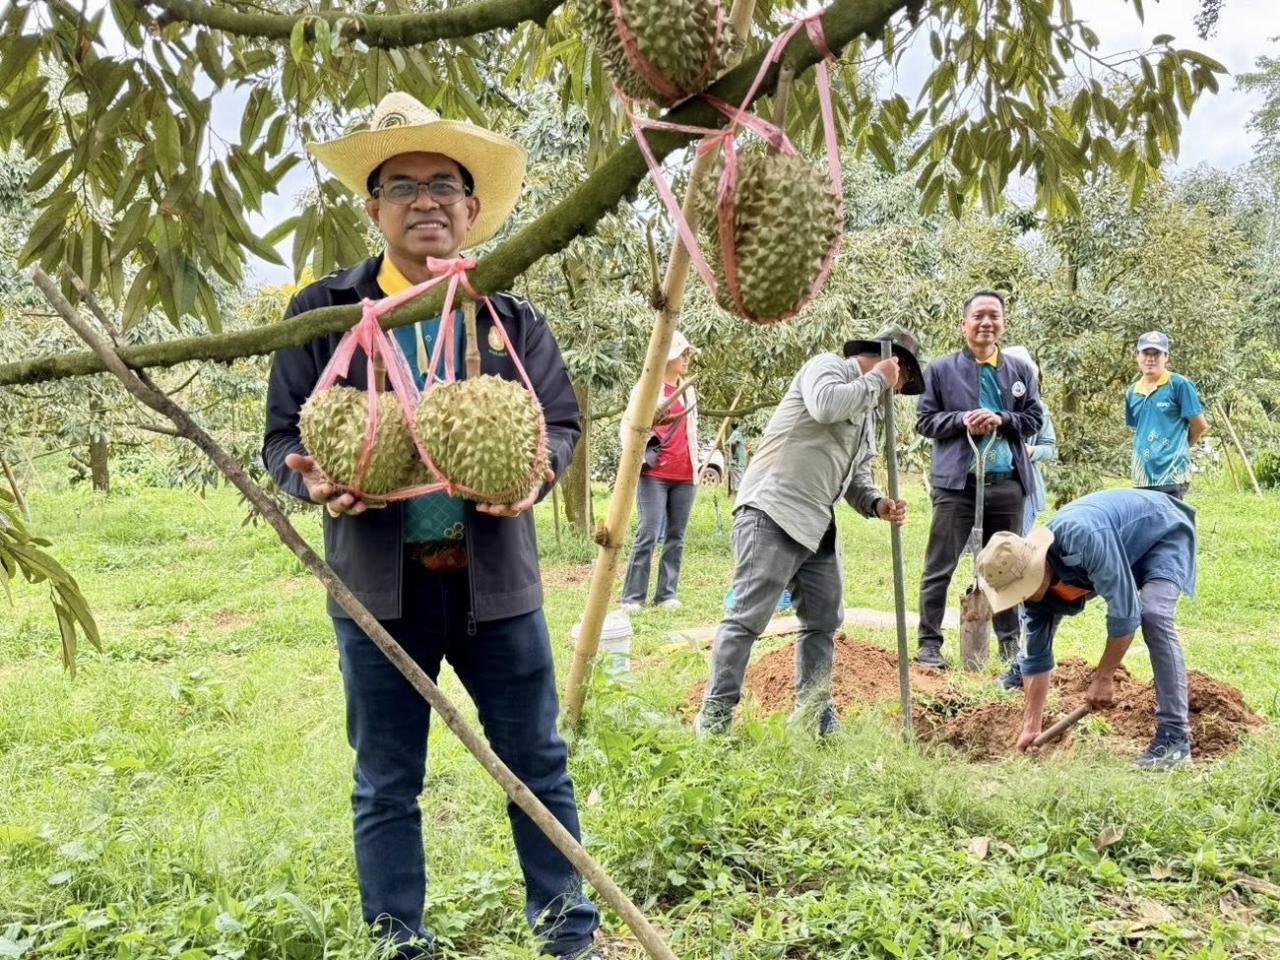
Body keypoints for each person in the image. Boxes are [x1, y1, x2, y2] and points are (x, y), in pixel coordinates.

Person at [261, 92, 600, 960]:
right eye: (403, 185)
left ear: (472, 207)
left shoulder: (508, 317)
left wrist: (536, 471)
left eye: (445, 184)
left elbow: (558, 421)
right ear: (372, 208)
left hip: (497, 585)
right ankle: (397, 943)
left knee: (538, 765)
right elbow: (281, 437)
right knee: (385, 784)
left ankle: (569, 938)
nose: (427, 201)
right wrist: (309, 484)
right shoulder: (325, 313)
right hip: (380, 589)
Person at [696, 325, 925, 736]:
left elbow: (856, 480)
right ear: (893, 364)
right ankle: (714, 720)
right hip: (773, 510)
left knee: (823, 620)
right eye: (902, 379)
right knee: (747, 618)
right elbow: (824, 406)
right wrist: (876, 380)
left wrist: (877, 504)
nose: (897, 390)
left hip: (817, 524)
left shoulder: (868, 417)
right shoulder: (828, 368)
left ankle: (814, 714)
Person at [975, 488, 1198, 769]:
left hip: (1162, 532)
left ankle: (1175, 739)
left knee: (1154, 614)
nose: (1023, 598)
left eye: (1022, 588)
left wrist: (1104, 676)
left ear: (1035, 566)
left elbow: (1126, 613)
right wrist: (1032, 725)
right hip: (1120, 547)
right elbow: (1035, 658)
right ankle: (1173, 739)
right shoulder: (1034, 597)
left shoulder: (1081, 538)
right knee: (1041, 627)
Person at [914, 291, 1043, 669]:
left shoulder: (1021, 370)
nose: (987, 323)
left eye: (994, 316)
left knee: (1005, 567)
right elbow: (925, 421)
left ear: (1003, 323)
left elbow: (1034, 418)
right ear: (964, 324)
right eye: (978, 316)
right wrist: (962, 419)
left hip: (1007, 483)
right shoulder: (941, 370)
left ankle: (1008, 646)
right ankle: (929, 644)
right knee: (941, 564)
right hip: (957, 484)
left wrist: (1002, 419)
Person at [620, 332, 699, 611]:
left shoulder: (688, 390)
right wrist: (638, 457)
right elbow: (628, 427)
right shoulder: (646, 389)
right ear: (669, 357)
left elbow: (691, 432)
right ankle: (633, 597)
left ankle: (666, 594)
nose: (687, 359)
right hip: (654, 474)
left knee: (676, 536)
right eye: (683, 354)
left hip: (685, 475)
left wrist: (696, 464)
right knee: (649, 533)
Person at [1126, 331, 1208, 500]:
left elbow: (1199, 425)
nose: (1151, 359)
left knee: (1170, 525)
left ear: (1166, 357)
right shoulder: (1132, 392)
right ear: (1137, 356)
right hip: (1142, 476)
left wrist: (1179, 448)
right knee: (1145, 525)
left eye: (1156, 353)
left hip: (1172, 475)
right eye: (1146, 353)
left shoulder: (1179, 385)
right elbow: (1139, 430)